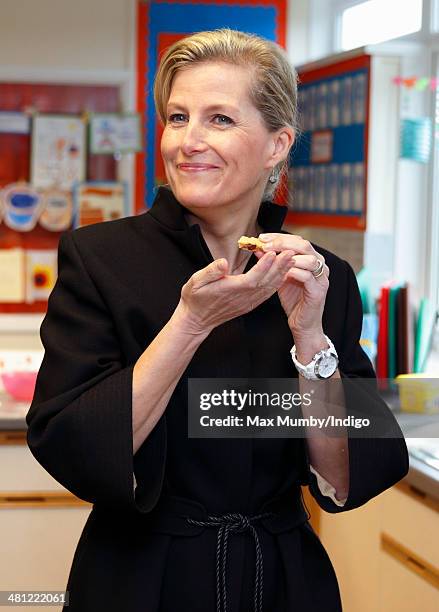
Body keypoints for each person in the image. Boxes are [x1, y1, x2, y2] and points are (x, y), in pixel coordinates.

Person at [26, 28, 409, 612]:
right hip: (141, 578)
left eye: (220, 119)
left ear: (278, 144)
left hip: (279, 578)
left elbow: (345, 472)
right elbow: (74, 445)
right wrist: (191, 324)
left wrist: (310, 337)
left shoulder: (320, 276)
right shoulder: (100, 258)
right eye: (177, 117)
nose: (188, 141)